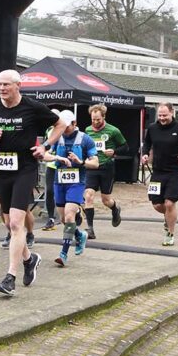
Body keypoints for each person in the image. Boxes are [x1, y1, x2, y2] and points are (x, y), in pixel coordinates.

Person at [0, 69, 66, 297]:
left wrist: (45, 146)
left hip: (25, 169)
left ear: (18, 85)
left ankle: (10, 277)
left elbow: (60, 124)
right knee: (8, 224)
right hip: (3, 171)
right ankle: (29, 259)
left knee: (16, 224)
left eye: (6, 84)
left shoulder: (32, 107)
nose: (2, 89)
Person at [140, 103, 178, 247]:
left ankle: (170, 233)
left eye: (165, 115)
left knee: (169, 203)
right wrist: (144, 154)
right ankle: (168, 218)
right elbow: (147, 143)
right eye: (160, 115)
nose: (162, 118)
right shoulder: (152, 128)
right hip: (157, 171)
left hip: (175, 171)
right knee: (156, 204)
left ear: (172, 113)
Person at [42, 111, 99, 266]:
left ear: (74, 124)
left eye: (67, 127)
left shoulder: (85, 139)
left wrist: (80, 162)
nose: (64, 130)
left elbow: (95, 163)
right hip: (59, 181)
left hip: (77, 182)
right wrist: (57, 157)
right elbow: (43, 154)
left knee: (69, 216)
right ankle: (80, 235)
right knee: (63, 218)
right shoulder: (56, 136)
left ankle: (64, 253)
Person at [83, 104, 129, 239]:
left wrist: (114, 152)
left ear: (104, 117)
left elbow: (125, 147)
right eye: (93, 119)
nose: (95, 122)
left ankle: (115, 209)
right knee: (88, 196)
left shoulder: (113, 131)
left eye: (98, 119)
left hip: (107, 167)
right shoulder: (87, 130)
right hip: (92, 167)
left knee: (105, 200)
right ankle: (90, 229)